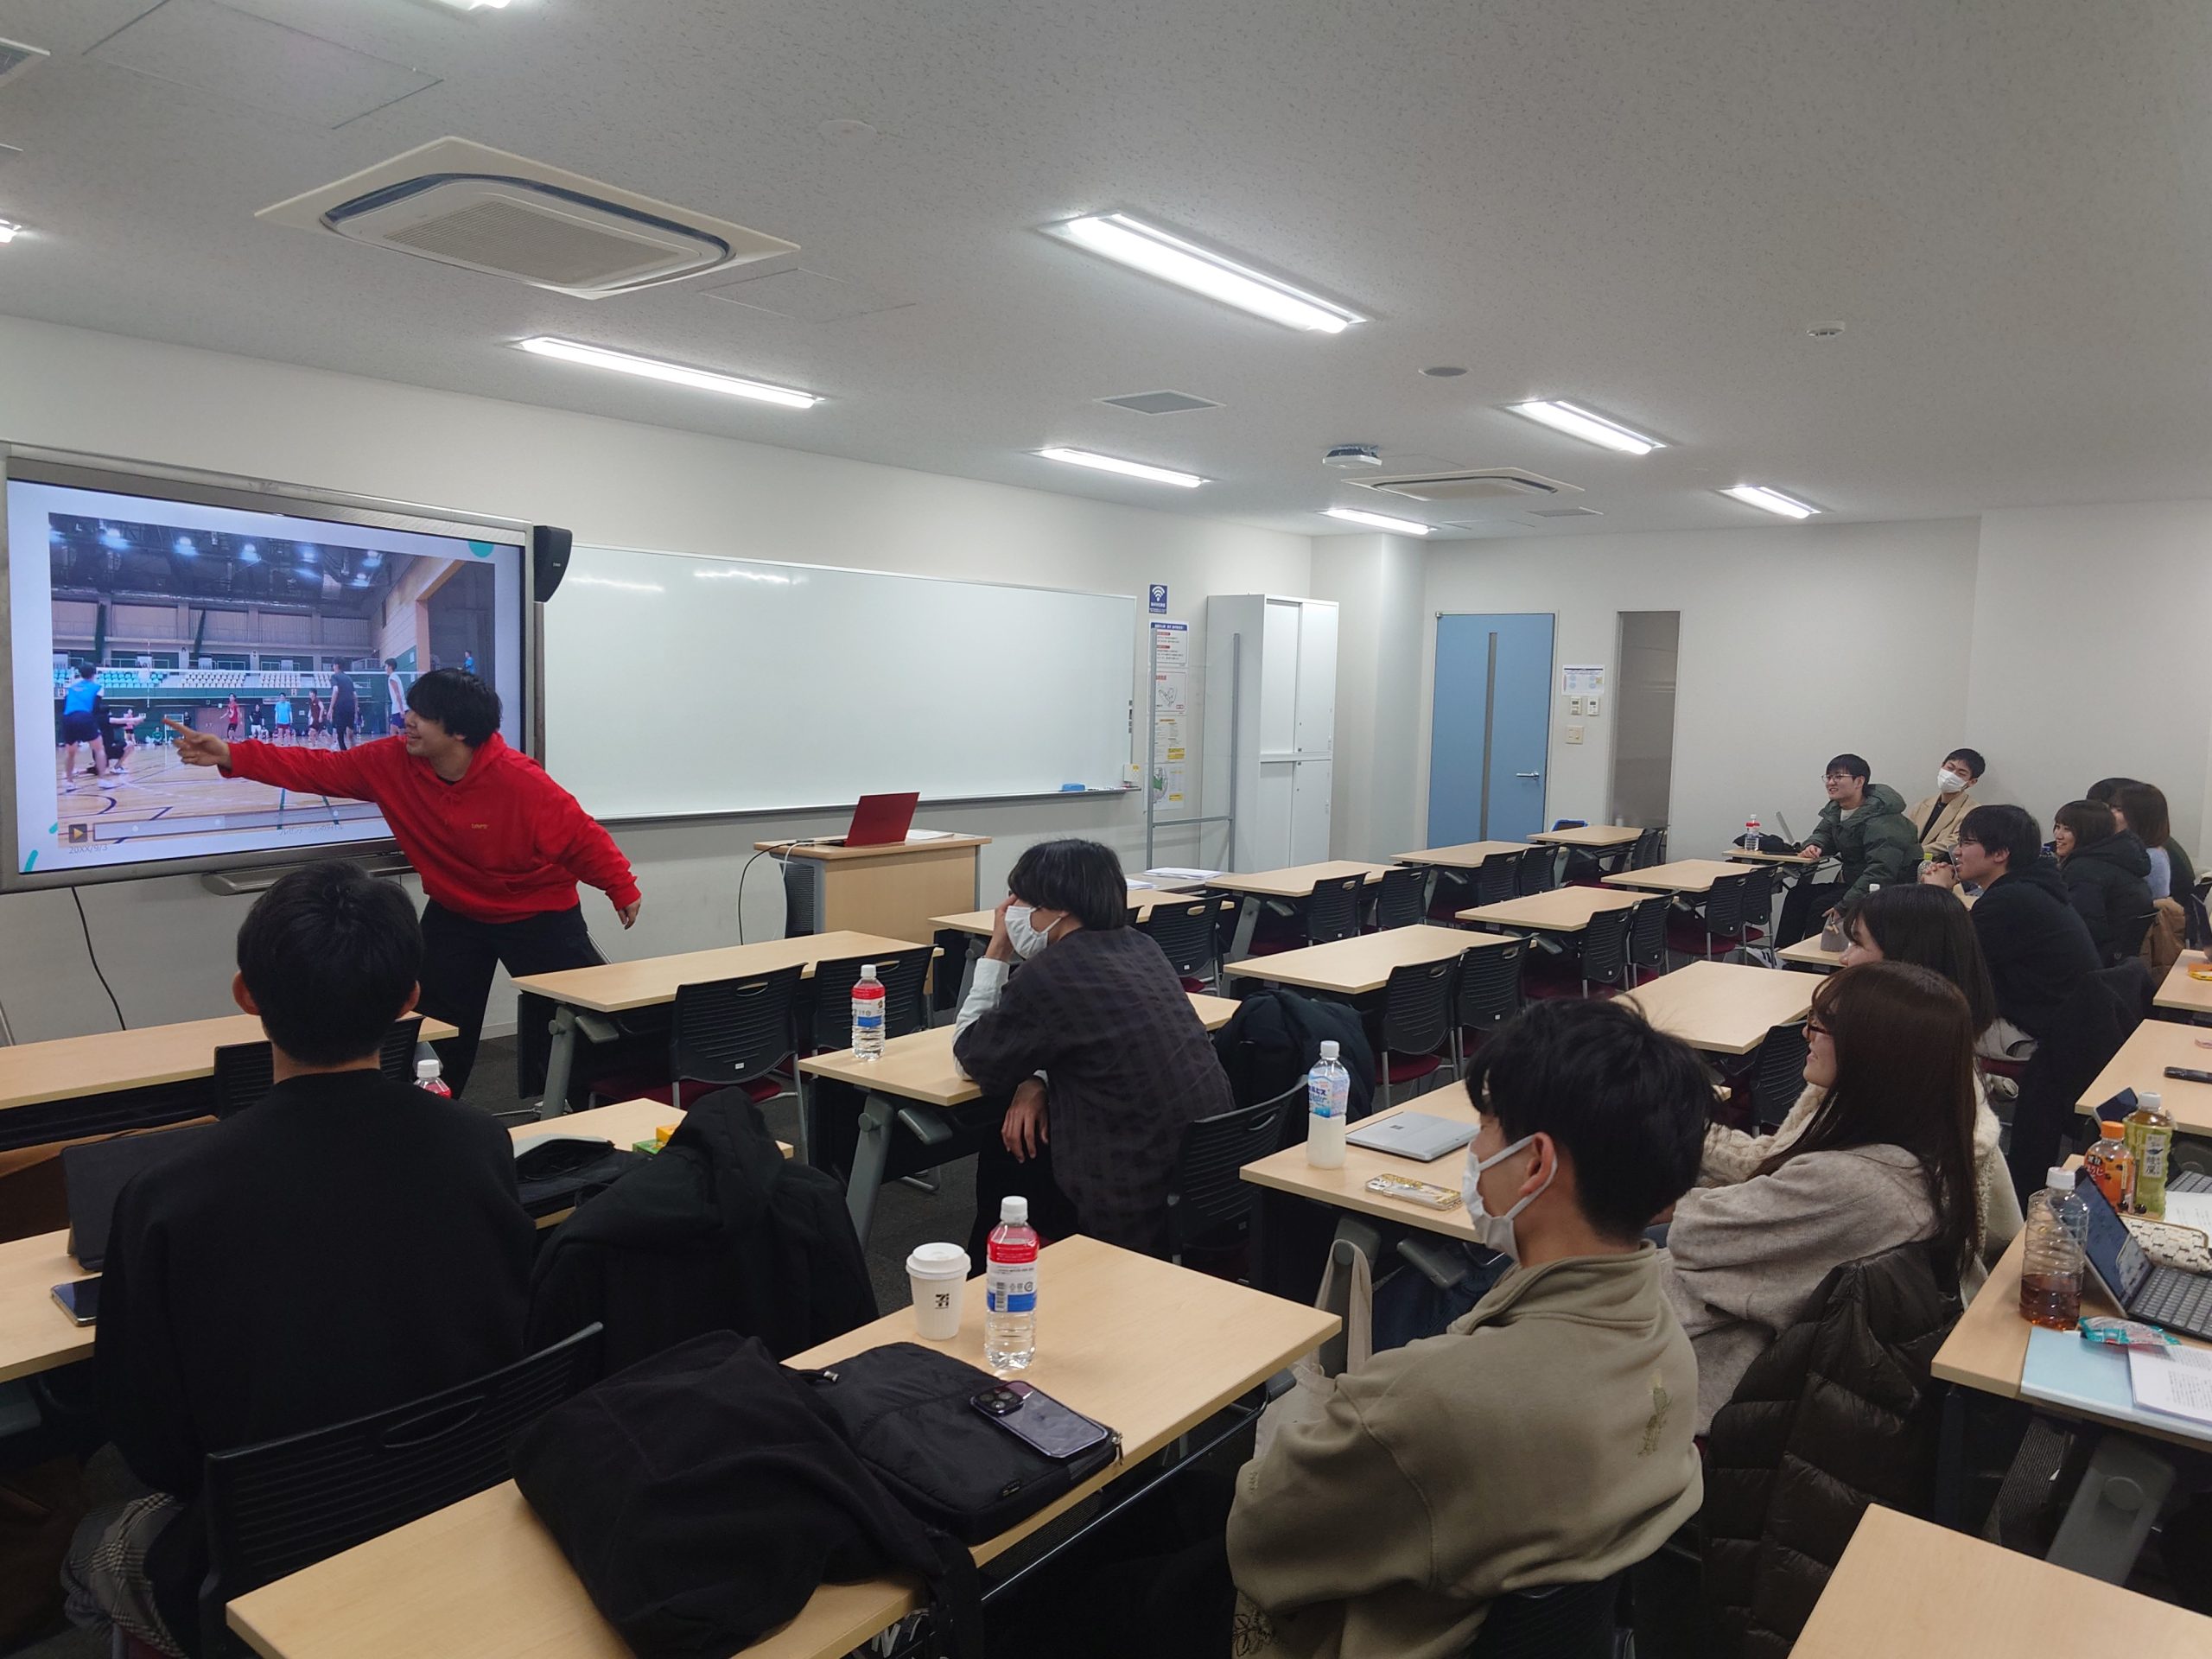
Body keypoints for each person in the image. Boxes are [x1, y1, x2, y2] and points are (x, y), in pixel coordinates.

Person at [64, 861, 533, 1656]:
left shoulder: (167, 1195)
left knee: (89, 1552)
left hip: (263, 1554)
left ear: (246, 995)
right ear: (409, 999)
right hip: (464, 1501)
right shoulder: (480, 1142)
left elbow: (149, 1444)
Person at [1224, 1000, 1707, 1657]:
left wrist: (1295, 1426)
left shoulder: (1432, 1398)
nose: (1476, 1150)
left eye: (1485, 1127)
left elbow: (1261, 1534)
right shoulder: (1667, 1348)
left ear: (1536, 1164)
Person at [169, 669, 640, 1096]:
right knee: (435, 1023)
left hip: (539, 913)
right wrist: (232, 753)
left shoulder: (522, 783)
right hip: (456, 913)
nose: (407, 721)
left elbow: (582, 838)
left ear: (458, 731)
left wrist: (621, 887)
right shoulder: (389, 762)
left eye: (422, 716)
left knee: (570, 1015)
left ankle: (580, 1107)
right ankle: (427, 1108)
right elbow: (314, 769)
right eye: (410, 710)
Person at [1662, 961, 1983, 1432]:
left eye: (1824, 1025)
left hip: (1724, 1377)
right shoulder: (1928, 1150)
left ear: (1877, 1051)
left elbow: (1695, 1237)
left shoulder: (1855, 1184)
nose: (1807, 1034)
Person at [1701, 884, 2022, 1268]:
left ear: (1902, 966)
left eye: (1857, 944)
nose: (1844, 958)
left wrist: (1678, 1134)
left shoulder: (1877, 1096)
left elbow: (1774, 1174)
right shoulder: (1940, 1068)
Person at [951, 837, 1233, 1260]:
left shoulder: (1050, 974)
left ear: (1058, 909)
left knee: (1005, 1152)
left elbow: (968, 1055)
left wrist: (996, 951)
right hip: (1204, 1173)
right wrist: (1036, 1080)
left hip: (1133, 1190)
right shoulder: (1141, 947)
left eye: (1022, 902)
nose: (1012, 913)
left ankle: (992, 1272)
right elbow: (1085, 1038)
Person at [1922, 803, 2097, 1057]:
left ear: (2000, 853)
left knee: (1907, 1023)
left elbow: (1943, 964)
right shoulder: (2031, 887)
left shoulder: (2012, 901)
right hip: (2058, 1022)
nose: (1957, 852)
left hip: (2035, 1033)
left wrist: (1935, 897)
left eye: (1967, 843)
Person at [1776, 753, 1918, 946]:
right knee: (1798, 895)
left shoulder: (1882, 820)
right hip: (1856, 882)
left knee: (1821, 906)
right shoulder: (1838, 809)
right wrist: (1814, 846)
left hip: (1887, 890)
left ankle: (1809, 965)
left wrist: (1844, 906)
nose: (1831, 783)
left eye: (1838, 777)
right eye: (1828, 777)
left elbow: (1881, 871)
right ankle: (1781, 954)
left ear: (1859, 781)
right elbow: (1823, 833)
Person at [2052, 798, 2152, 963]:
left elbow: (2083, 928)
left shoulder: (2084, 869)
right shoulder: (2119, 858)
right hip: (2118, 961)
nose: (2058, 835)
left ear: (2089, 832)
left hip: (2093, 962)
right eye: (2057, 826)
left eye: (2067, 829)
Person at [2113, 780, 2196, 901]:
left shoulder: (2152, 859)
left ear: (2140, 817)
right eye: (2112, 808)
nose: (2111, 814)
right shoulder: (2135, 851)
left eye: (2119, 810)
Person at [1901, 747, 1985, 854]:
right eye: (1950, 768)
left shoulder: (1973, 812)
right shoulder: (1922, 805)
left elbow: (1955, 843)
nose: (1951, 775)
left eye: (1961, 773)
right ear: (1942, 766)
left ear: (1972, 782)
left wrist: (1915, 853)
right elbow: (1904, 836)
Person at [56, 662, 114, 790]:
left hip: (68, 717)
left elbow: (64, 703)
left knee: (70, 752)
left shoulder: (71, 686)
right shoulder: (98, 687)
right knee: (99, 749)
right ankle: (102, 780)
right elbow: (95, 707)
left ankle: (70, 782)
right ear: (94, 674)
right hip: (84, 717)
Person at [328, 668, 359, 751]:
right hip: (350, 708)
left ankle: (344, 755)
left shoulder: (334, 677)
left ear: (336, 665)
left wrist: (330, 708)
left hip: (340, 709)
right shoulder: (349, 679)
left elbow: (335, 691)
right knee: (350, 734)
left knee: (340, 735)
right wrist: (355, 711)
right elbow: (355, 696)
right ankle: (354, 754)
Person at [385, 658, 407, 734]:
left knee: (400, 732)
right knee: (393, 730)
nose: (385, 668)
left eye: (386, 666)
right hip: (397, 709)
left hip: (399, 709)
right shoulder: (395, 677)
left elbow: (398, 694)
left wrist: (401, 710)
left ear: (390, 667)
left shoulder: (392, 678)